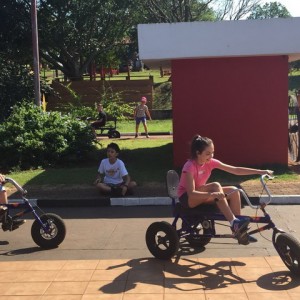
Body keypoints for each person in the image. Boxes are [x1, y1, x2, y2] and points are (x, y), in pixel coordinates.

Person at [177, 135, 273, 245]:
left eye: (212, 152)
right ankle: (234, 222)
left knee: (234, 190)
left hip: (200, 195)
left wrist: (261, 171)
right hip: (187, 198)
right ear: (198, 153)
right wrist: (212, 194)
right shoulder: (189, 166)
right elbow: (191, 194)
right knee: (215, 185)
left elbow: (236, 170)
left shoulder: (210, 162)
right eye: (207, 154)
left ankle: (239, 231)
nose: (211, 156)